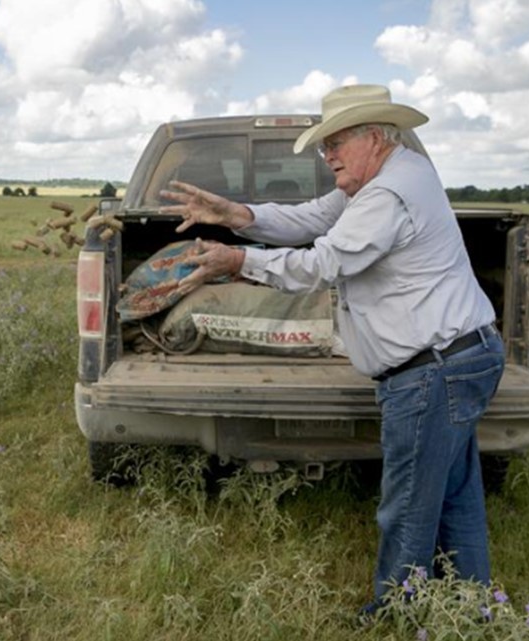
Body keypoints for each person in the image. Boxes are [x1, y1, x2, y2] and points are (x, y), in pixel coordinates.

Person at [159, 84, 506, 619]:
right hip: (457, 358)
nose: (329, 157)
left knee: (409, 508)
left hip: (435, 370)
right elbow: (310, 219)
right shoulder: (389, 176)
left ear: (374, 136)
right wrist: (236, 213)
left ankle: (394, 615)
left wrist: (239, 263)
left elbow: (322, 263)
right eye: (325, 147)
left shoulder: (388, 195)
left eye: (336, 143)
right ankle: (472, 606)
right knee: (454, 494)